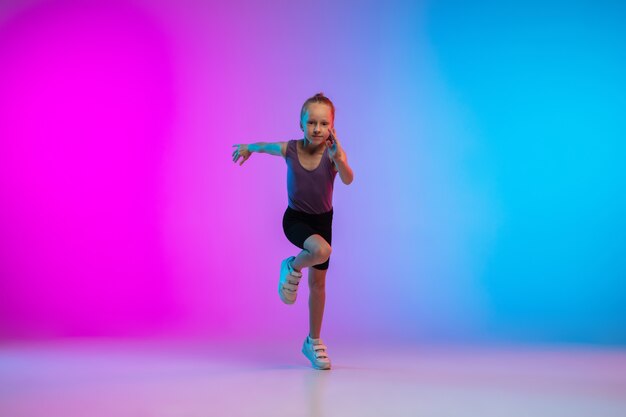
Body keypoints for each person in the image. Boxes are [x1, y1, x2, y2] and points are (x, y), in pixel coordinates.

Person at [231, 93, 354, 370]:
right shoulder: (291, 149)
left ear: (332, 127)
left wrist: (341, 160)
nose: (317, 129)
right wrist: (249, 147)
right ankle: (291, 266)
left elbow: (348, 179)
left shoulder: (334, 155)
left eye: (324, 124)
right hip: (295, 220)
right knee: (321, 250)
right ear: (301, 123)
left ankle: (313, 341)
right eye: (312, 122)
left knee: (318, 286)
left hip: (323, 221)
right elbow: (266, 146)